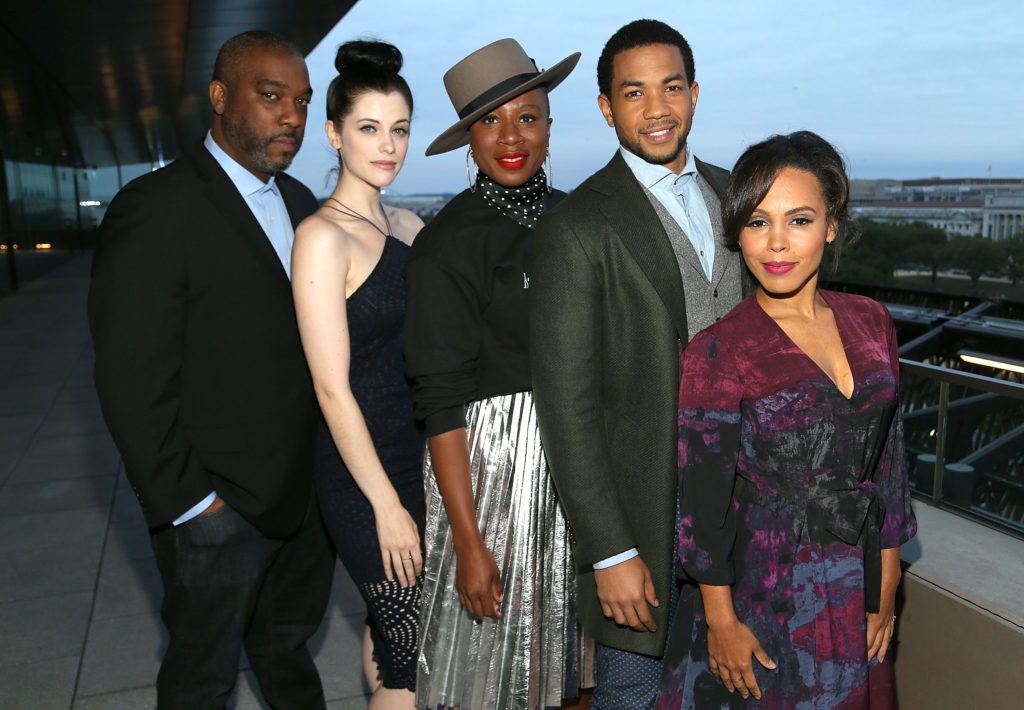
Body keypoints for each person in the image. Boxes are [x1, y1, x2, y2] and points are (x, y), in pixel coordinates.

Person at [88, 31, 334, 708]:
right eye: (271, 95)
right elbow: (130, 381)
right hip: (217, 512)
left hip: (303, 506)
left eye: (302, 101)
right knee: (202, 680)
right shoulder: (155, 208)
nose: (291, 116)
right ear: (221, 98)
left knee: (287, 658)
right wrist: (195, 507)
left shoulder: (302, 204)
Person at [530, 19, 750, 708]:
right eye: (634, 93)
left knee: (735, 685)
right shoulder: (577, 225)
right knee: (634, 694)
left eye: (672, 87)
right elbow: (565, 404)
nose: (656, 108)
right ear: (606, 108)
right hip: (646, 507)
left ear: (694, 94)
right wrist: (610, 551)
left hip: (745, 497)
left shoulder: (738, 197)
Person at [657, 131, 917, 709]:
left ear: (831, 224)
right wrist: (721, 621)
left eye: (798, 220)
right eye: (756, 222)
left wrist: (890, 580)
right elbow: (704, 508)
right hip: (764, 594)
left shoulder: (872, 322)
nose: (776, 244)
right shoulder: (719, 350)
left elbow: (891, 465)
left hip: (860, 581)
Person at [404, 39, 592, 709]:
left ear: (550, 125)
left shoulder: (580, 218)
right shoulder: (448, 244)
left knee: (565, 667)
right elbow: (440, 401)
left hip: (579, 464)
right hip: (493, 471)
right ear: (469, 139)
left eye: (528, 117)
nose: (511, 137)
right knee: (492, 677)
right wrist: (467, 542)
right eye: (490, 121)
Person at [291, 40, 425, 709]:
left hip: (418, 457)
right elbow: (330, 388)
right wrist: (387, 507)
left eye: (399, 129)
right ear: (334, 133)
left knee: (390, 628)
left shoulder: (407, 225)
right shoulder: (322, 237)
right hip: (363, 476)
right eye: (369, 128)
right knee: (413, 656)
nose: (388, 145)